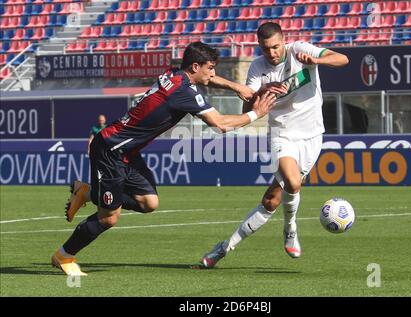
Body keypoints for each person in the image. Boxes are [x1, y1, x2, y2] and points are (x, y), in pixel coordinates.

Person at [52, 41, 276, 276]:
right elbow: (219, 124)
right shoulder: (184, 92)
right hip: (110, 150)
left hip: (127, 151)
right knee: (109, 218)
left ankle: (87, 192)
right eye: (210, 68)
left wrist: (235, 86)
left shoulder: (174, 74)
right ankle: (64, 255)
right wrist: (256, 114)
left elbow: (208, 80)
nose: (213, 73)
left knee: (149, 203)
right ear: (195, 66)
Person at [200, 22, 349, 268]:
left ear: (284, 41)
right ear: (260, 47)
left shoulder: (300, 50)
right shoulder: (258, 67)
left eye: (276, 47)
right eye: (266, 48)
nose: (272, 53)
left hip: (312, 135)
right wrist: (261, 91)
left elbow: (342, 59)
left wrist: (316, 62)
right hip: (282, 134)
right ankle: (290, 229)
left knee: (271, 201)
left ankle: (223, 248)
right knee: (293, 182)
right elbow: (246, 109)